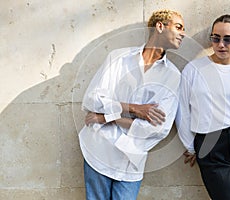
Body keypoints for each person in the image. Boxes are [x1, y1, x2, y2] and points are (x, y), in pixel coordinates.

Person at [78, 9, 185, 200]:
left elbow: (159, 129)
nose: (183, 33)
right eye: (178, 27)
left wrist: (106, 117)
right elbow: (92, 99)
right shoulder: (118, 58)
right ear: (160, 26)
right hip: (99, 148)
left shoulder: (173, 77)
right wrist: (135, 109)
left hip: (131, 159)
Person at [176, 14, 230, 200]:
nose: (221, 44)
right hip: (209, 141)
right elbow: (182, 111)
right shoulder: (194, 70)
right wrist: (191, 146)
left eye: (228, 39)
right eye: (216, 38)